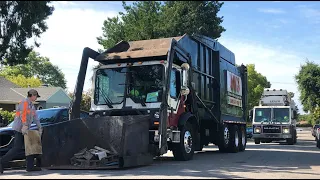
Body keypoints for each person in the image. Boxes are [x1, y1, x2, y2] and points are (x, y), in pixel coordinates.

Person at [0, 89, 43, 174]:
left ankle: (30, 167)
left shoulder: (31, 105)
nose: (36, 98)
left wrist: (39, 127)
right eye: (36, 96)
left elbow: (35, 117)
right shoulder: (24, 103)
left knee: (29, 146)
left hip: (25, 129)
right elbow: (23, 115)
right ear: (32, 95)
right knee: (17, 147)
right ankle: (1, 162)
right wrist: (24, 126)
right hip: (19, 129)